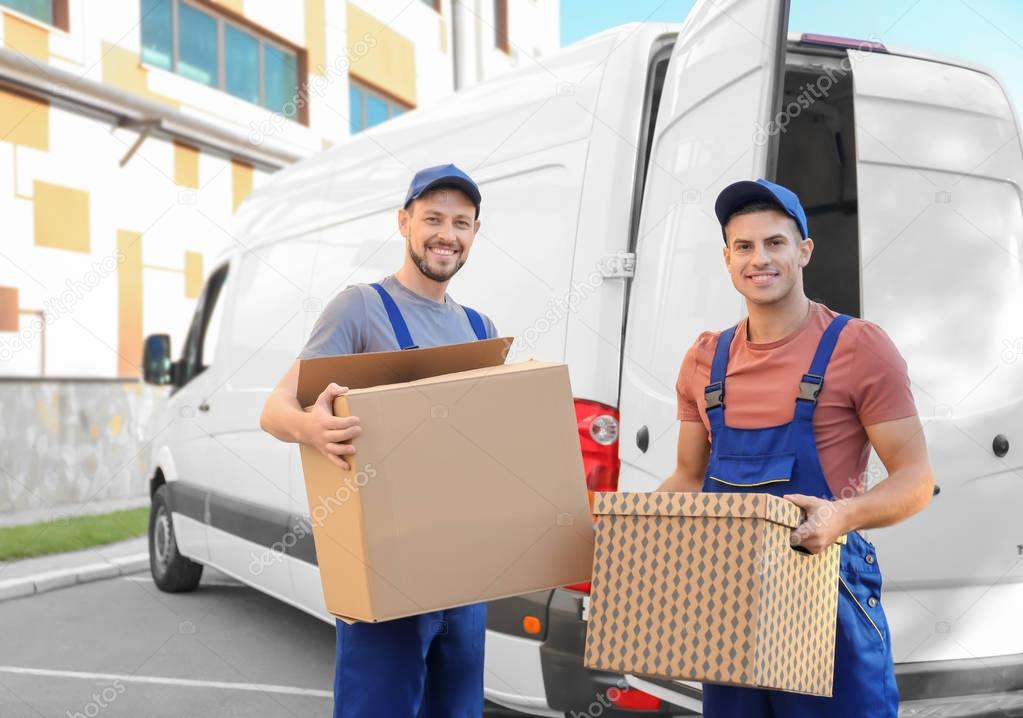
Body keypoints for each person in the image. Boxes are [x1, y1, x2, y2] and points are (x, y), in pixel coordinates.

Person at [657, 178, 934, 716]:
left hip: (828, 602)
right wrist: (625, 531)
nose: (759, 258)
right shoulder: (704, 360)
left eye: (775, 243)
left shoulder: (857, 346)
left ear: (803, 251)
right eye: (744, 246)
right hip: (730, 612)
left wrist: (841, 515)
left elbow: (916, 479)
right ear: (727, 258)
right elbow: (689, 479)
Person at [259, 164, 497, 718]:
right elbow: (275, 408)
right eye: (432, 218)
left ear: (474, 234)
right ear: (404, 222)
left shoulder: (480, 329)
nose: (447, 234)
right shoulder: (360, 308)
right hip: (383, 568)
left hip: (464, 576)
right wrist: (312, 428)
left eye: (461, 223)